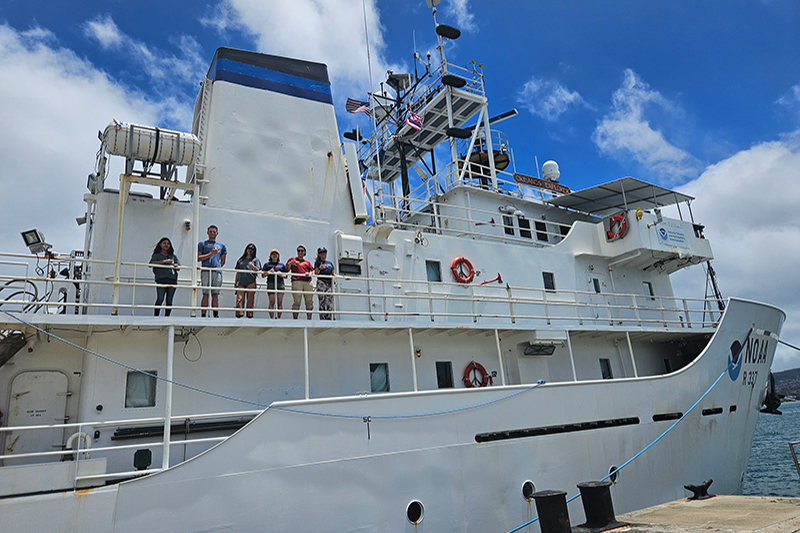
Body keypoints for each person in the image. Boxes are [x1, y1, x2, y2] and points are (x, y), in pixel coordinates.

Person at [197, 225, 227, 317]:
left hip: (217, 272)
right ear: (207, 232)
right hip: (206, 271)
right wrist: (211, 254)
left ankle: (215, 315)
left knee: (215, 294)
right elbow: (198, 258)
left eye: (214, 232)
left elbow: (223, 261)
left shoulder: (222, 246)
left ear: (217, 233)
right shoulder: (202, 244)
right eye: (210, 231)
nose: (212, 233)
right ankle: (203, 314)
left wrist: (216, 267)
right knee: (205, 293)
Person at [149, 237, 180, 316]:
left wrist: (176, 265)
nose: (166, 245)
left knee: (169, 300)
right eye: (164, 243)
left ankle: (167, 317)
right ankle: (156, 316)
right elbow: (151, 264)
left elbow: (178, 267)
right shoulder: (156, 255)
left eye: (168, 243)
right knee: (160, 298)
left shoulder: (173, 256)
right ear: (160, 245)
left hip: (172, 280)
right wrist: (164, 261)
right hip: (161, 279)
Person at [286, 244, 314, 319]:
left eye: (302, 251)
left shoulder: (307, 262)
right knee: (297, 301)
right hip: (297, 281)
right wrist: (290, 264)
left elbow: (311, 271)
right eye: (299, 251)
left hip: (307, 281)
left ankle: (309, 318)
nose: (300, 252)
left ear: (304, 252)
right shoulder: (292, 259)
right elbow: (287, 270)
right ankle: (295, 319)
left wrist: (309, 273)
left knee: (309, 301)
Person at [234, 243, 261, 318]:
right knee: (239, 299)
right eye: (249, 248)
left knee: (250, 299)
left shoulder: (255, 260)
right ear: (246, 249)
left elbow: (258, 269)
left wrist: (253, 267)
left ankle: (250, 315)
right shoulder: (241, 260)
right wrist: (235, 282)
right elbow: (237, 272)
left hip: (251, 281)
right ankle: (239, 315)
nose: (250, 250)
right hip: (241, 282)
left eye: (252, 249)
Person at [262, 249, 287, 319]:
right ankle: (272, 317)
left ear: (278, 256)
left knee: (279, 302)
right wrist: (269, 271)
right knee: (272, 301)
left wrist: (281, 275)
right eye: (273, 254)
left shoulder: (281, 265)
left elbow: (286, 276)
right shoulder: (267, 264)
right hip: (271, 283)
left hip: (280, 283)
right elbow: (263, 275)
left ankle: (278, 317)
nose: (274, 255)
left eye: (276, 254)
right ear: (270, 256)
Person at [314, 247, 336, 320]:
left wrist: (344, 277)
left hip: (329, 283)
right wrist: (320, 268)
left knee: (329, 301)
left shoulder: (330, 263)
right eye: (321, 253)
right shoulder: (317, 262)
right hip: (321, 282)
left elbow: (333, 274)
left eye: (324, 252)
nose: (323, 254)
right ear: (319, 254)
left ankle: (329, 317)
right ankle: (322, 318)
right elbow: (316, 273)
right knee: (322, 300)